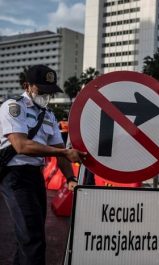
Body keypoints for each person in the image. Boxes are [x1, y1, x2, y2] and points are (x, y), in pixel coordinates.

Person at [0, 64, 87, 265]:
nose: (46, 96)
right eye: (42, 90)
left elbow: (60, 152)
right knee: (33, 238)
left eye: (50, 92)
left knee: (33, 233)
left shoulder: (48, 115)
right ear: (27, 86)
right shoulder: (14, 107)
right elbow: (21, 145)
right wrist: (64, 151)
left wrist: (70, 178)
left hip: (35, 176)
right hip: (15, 175)